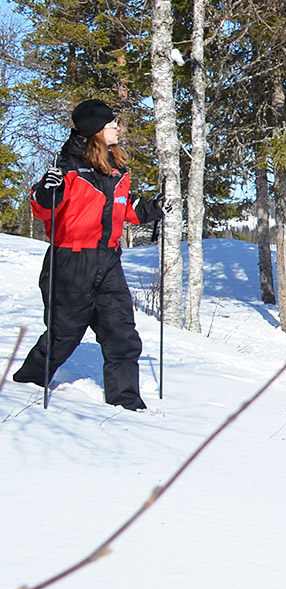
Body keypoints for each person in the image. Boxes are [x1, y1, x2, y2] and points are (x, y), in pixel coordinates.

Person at [12, 99, 162, 410]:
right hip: (71, 263)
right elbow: (40, 207)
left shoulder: (116, 169)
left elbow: (123, 208)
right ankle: (27, 382)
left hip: (108, 261)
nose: (117, 128)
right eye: (111, 124)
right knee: (64, 334)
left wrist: (153, 209)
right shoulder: (67, 168)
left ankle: (127, 403)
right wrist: (45, 192)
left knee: (121, 333)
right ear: (96, 130)